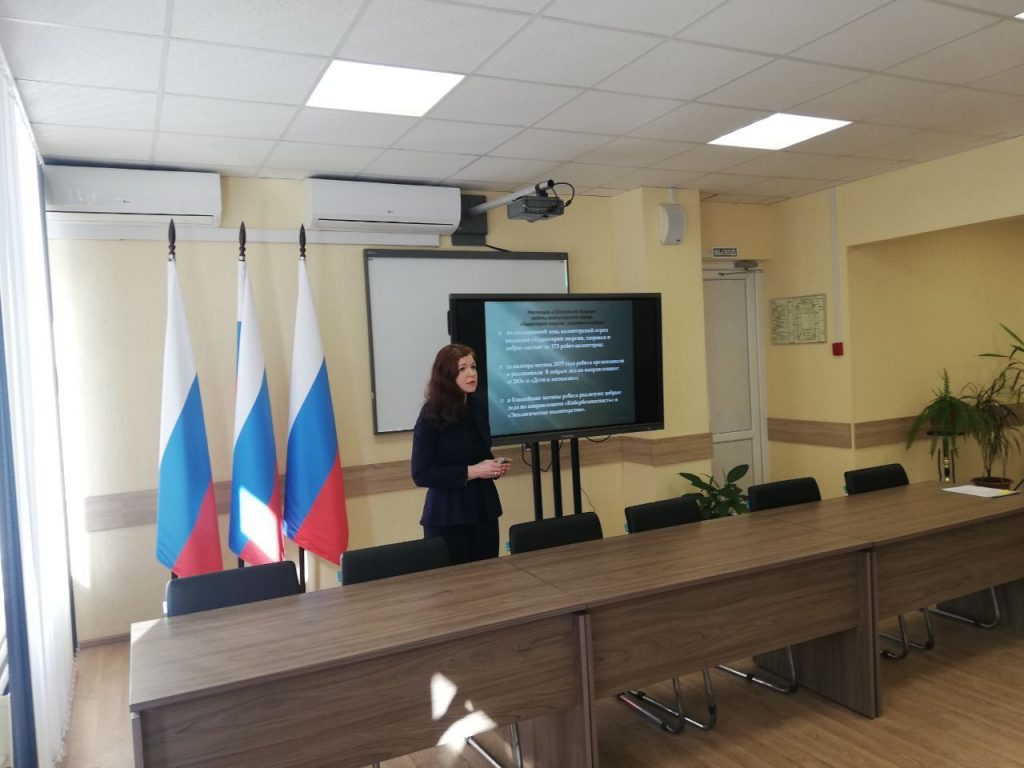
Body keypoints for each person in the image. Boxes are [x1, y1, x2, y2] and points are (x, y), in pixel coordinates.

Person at [411, 343, 508, 564]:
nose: (471, 374)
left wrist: (494, 466)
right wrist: (474, 471)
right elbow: (421, 473)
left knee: (488, 578)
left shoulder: (478, 407)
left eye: (473, 367)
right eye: (462, 369)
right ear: (447, 375)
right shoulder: (431, 414)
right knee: (455, 583)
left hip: (484, 511)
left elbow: (479, 453)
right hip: (449, 515)